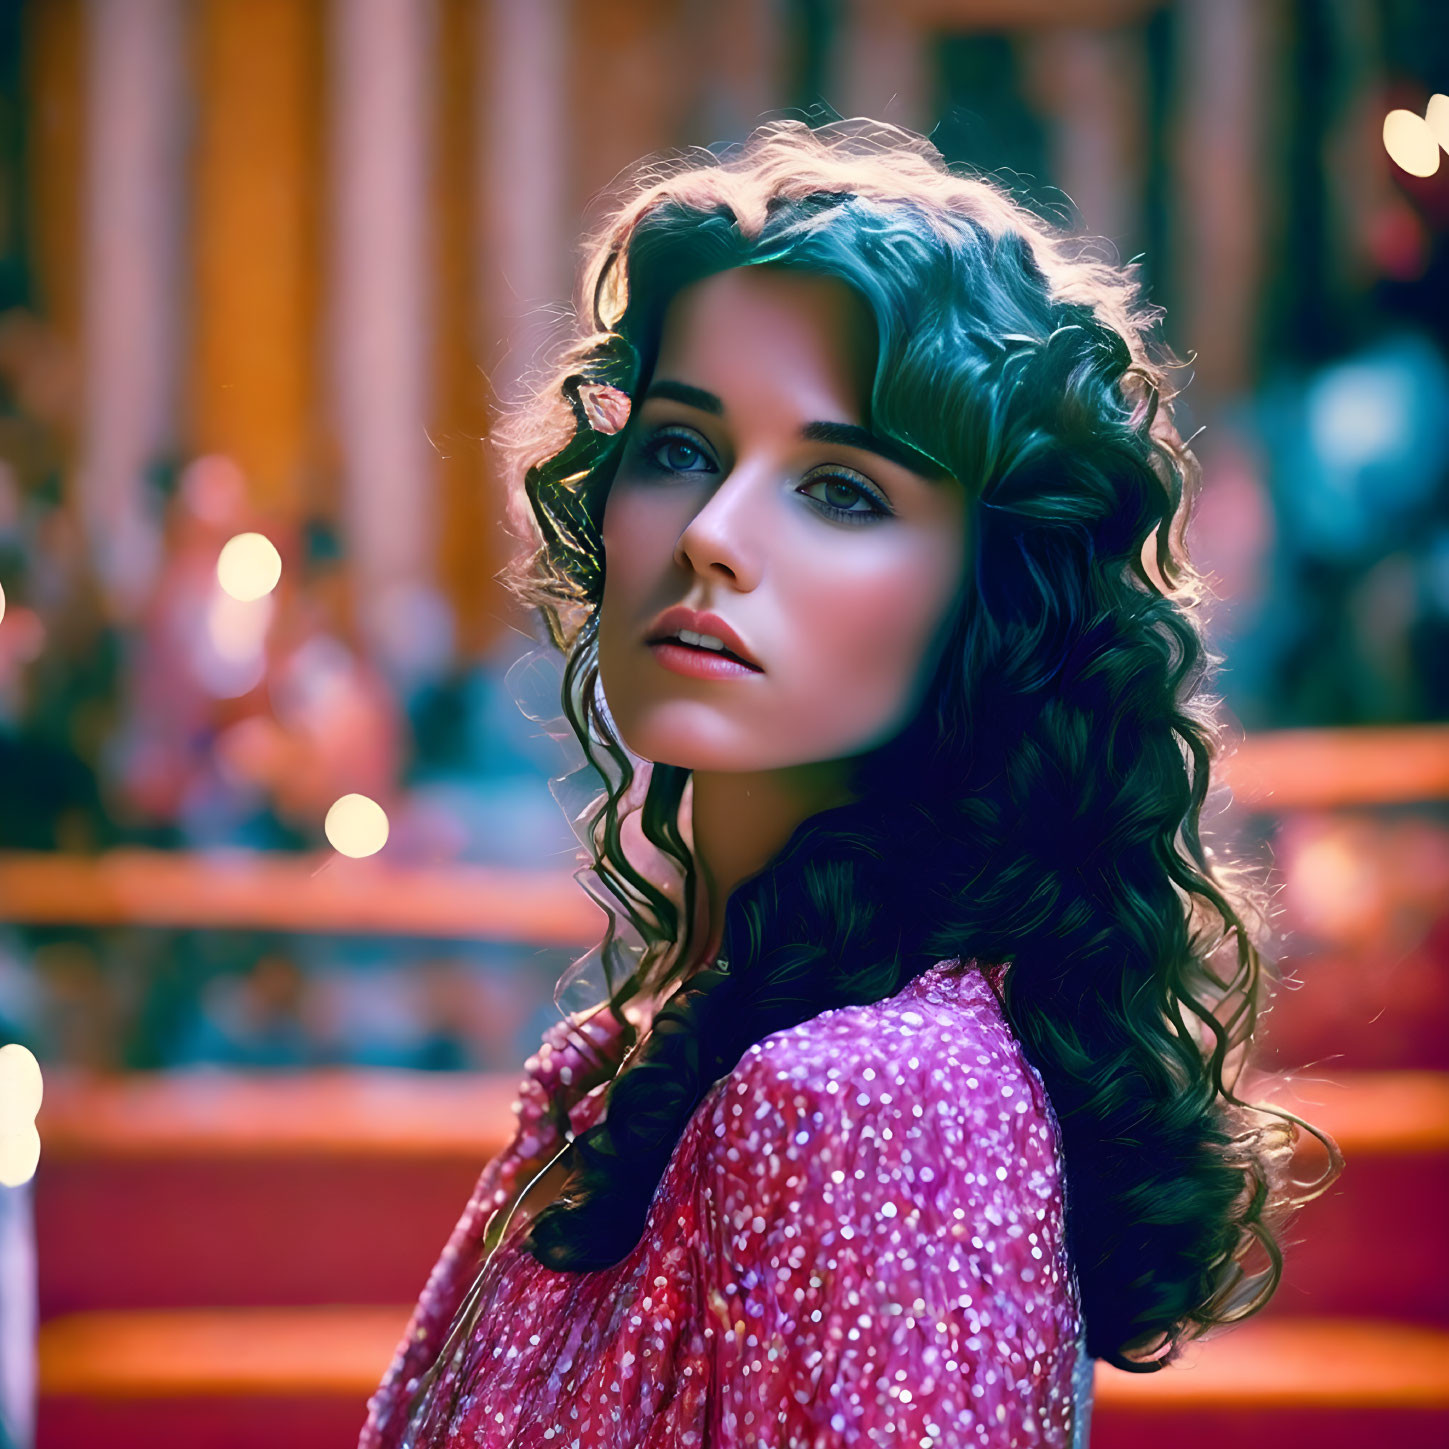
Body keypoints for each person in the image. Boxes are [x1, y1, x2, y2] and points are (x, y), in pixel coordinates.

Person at [359, 117, 1340, 1448]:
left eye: (837, 488)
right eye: (681, 449)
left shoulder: (871, 1107)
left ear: (981, 598)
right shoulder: (645, 1053)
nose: (710, 536)